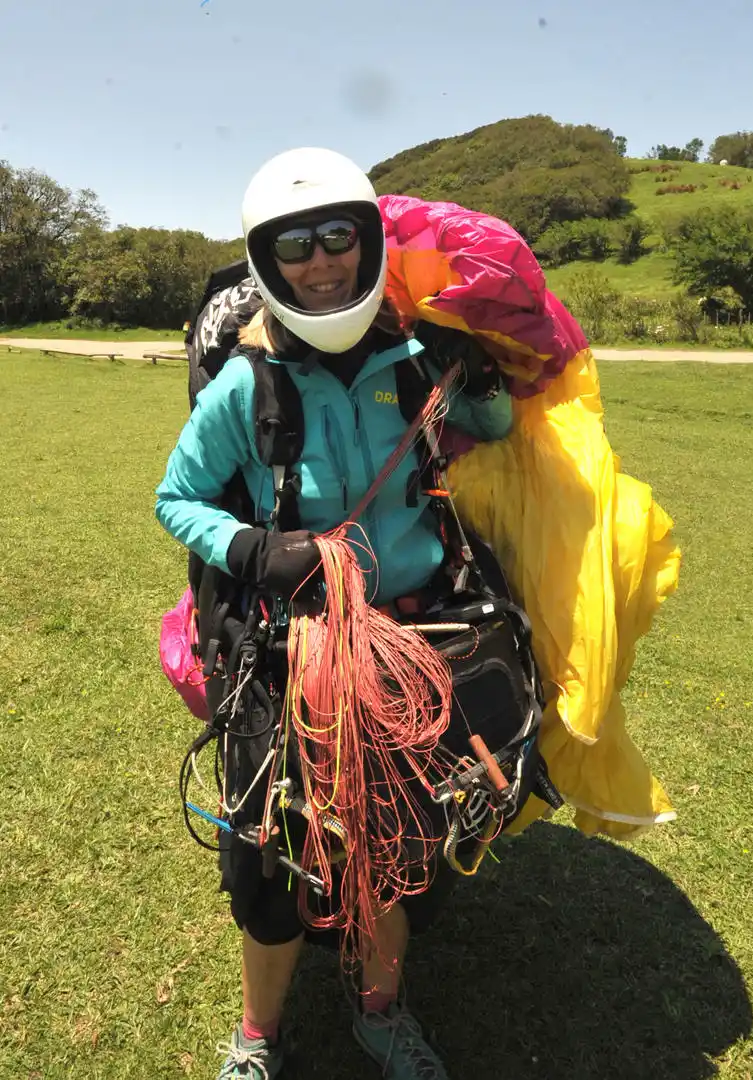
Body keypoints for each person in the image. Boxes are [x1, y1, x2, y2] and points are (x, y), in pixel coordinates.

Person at [156, 147, 514, 1080]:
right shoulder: (250, 383)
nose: (320, 264)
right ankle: (258, 1036)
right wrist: (258, 551)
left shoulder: (416, 361)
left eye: (336, 239)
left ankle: (380, 1012)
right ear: (267, 263)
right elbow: (177, 497)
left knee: (402, 844)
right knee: (270, 862)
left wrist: (482, 371)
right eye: (295, 248)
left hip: (413, 648)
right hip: (290, 655)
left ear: (366, 244)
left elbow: (500, 430)